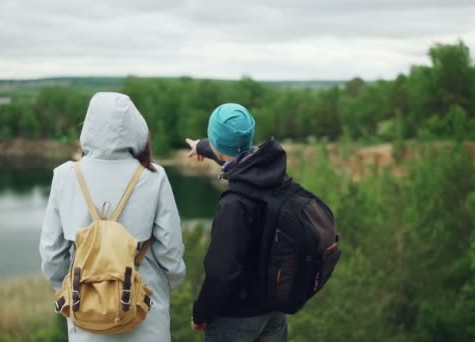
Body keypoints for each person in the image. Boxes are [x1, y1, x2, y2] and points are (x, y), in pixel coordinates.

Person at [39, 92, 186, 342]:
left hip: (86, 315)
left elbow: (52, 255)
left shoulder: (64, 176)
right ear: (137, 128)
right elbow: (170, 252)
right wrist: (160, 289)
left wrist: (74, 289)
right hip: (145, 313)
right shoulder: (153, 176)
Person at [186, 103, 288, 341]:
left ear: (217, 143)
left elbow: (222, 272)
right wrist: (202, 146)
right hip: (274, 311)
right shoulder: (275, 176)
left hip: (236, 318)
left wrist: (200, 314)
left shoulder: (234, 204)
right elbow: (239, 157)